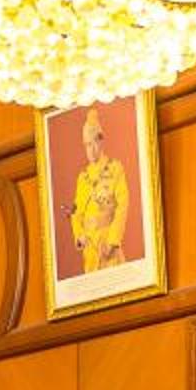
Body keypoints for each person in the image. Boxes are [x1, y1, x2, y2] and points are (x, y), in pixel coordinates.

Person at [68, 105, 132, 274]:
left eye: (93, 143)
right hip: (90, 250)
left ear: (100, 141)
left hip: (108, 246)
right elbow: (76, 212)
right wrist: (79, 236)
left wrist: (113, 240)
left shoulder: (115, 168)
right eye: (86, 145)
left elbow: (123, 205)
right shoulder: (83, 178)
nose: (90, 149)